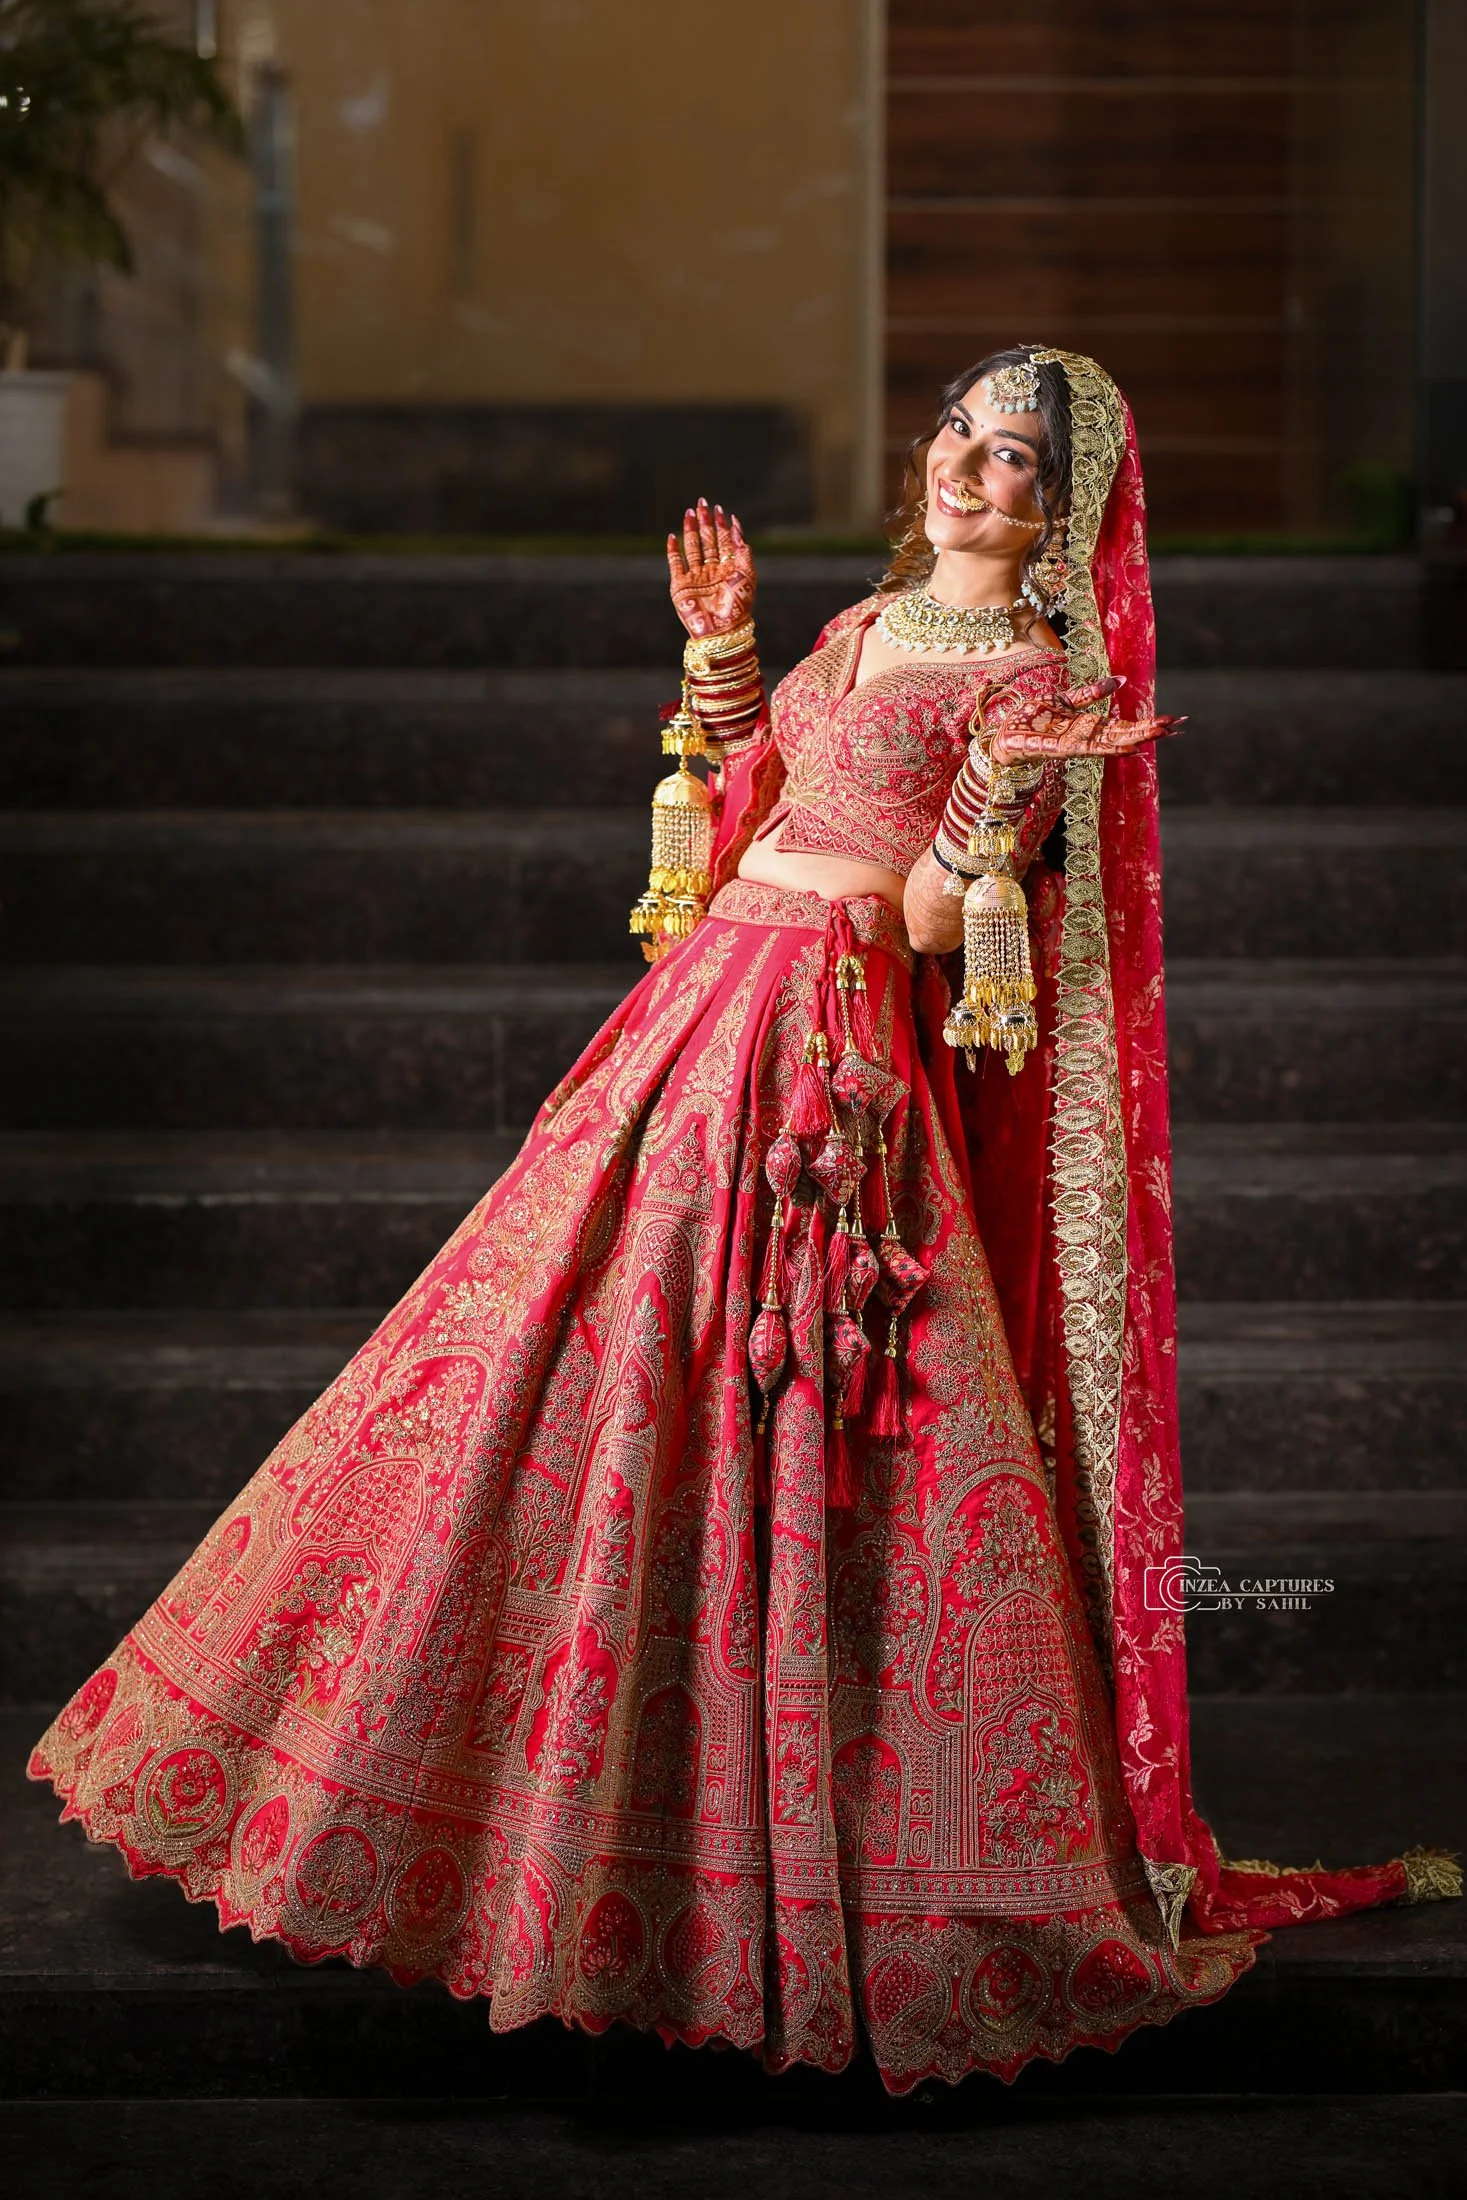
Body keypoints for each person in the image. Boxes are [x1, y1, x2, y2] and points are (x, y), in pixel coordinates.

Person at [29, 346, 1457, 2095]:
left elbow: (943, 931)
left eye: (1020, 466)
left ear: (1062, 511)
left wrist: (1001, 795)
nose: (973, 475)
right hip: (701, 1019)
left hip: (823, 1063)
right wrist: (721, 666)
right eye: (962, 436)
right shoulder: (865, 631)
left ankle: (784, 1865)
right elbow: (752, 806)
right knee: (551, 1380)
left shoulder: (1028, 673)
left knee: (796, 1414)